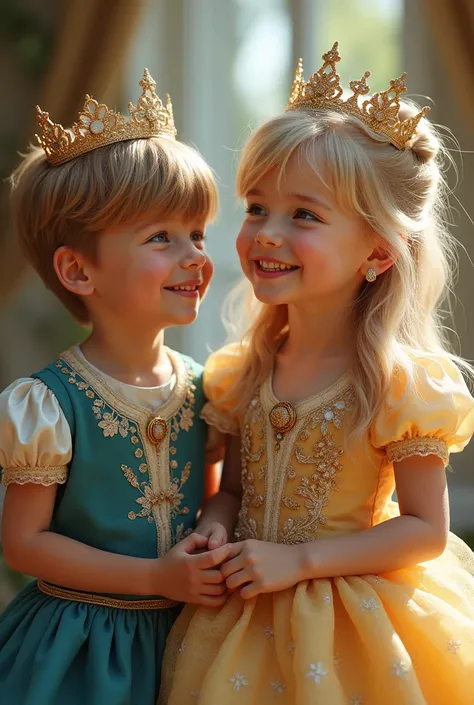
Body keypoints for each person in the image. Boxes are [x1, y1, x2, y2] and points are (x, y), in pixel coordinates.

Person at [159, 43, 474, 705]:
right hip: (241, 614)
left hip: (351, 620)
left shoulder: (399, 383)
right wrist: (215, 524)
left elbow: (425, 529)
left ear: (379, 251)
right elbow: (235, 490)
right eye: (255, 207)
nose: (267, 233)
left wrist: (297, 561)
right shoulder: (243, 370)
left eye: (304, 214)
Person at [0, 69, 231, 705]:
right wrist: (156, 576)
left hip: (187, 638)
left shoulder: (207, 387)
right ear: (78, 271)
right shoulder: (46, 404)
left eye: (197, 234)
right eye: (161, 237)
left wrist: (214, 529)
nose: (194, 257)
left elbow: (215, 495)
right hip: (81, 648)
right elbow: (24, 542)